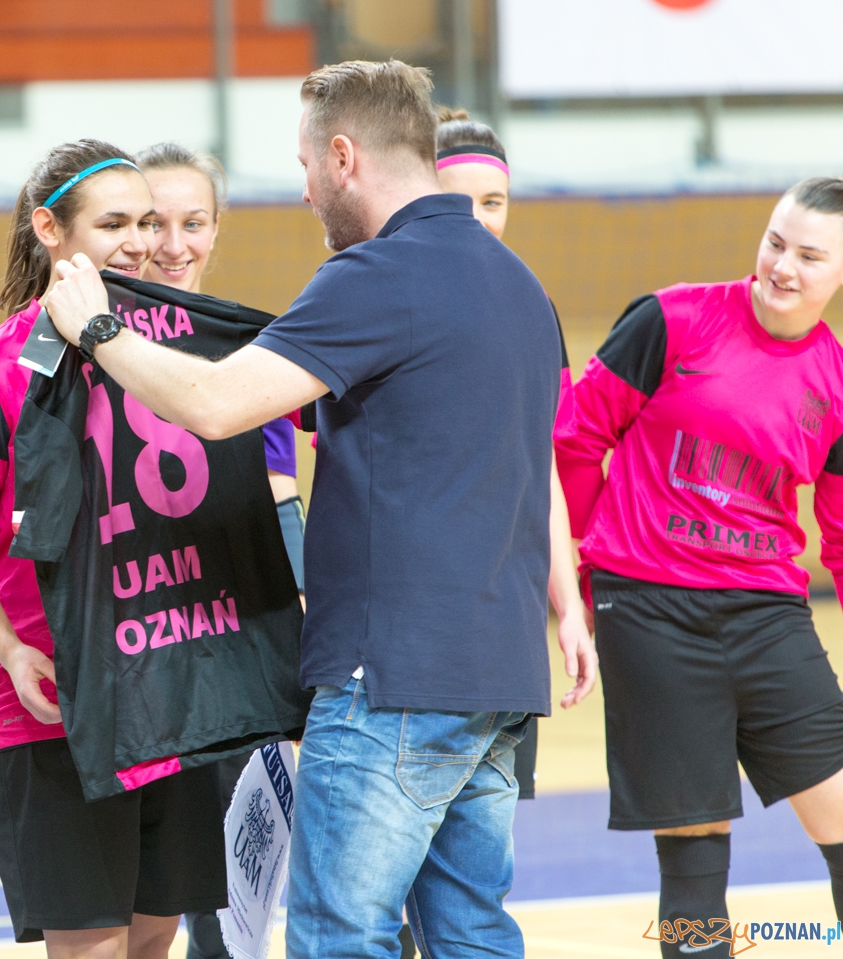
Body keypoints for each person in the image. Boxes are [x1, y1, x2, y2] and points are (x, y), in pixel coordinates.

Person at [41, 60, 597, 959]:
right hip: (498, 677)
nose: (304, 191)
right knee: (470, 933)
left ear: (344, 157)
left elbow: (217, 404)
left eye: (305, 166)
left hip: (392, 677)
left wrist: (99, 330)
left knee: (340, 936)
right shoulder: (521, 286)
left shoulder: (374, 277)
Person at [0, 139, 228, 959]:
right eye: (114, 224)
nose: (139, 242)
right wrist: (12, 651)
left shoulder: (165, 357)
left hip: (167, 699)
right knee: (93, 946)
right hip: (53, 710)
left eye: (146, 222)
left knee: (155, 936)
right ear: (49, 229)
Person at [556, 178, 843, 957]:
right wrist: (587, 565)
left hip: (768, 613)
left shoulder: (836, 381)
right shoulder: (671, 319)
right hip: (649, 610)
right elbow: (577, 438)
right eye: (775, 242)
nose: (782, 266)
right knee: (694, 861)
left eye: (809, 255)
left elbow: (842, 535)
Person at [132, 141, 305, 959]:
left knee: (232, 903)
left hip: (231, 648)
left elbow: (279, 498)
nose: (173, 244)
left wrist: (295, 634)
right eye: (153, 222)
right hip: (134, 651)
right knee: (142, 904)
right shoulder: (82, 348)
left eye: (193, 222)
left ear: (217, 227)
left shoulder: (250, 350)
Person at [434, 108, 587, 806]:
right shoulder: (376, 295)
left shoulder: (532, 305)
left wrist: (569, 607)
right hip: (414, 622)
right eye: (458, 201)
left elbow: (540, 469)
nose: (479, 219)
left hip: (507, 618)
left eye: (493, 202)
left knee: (487, 834)